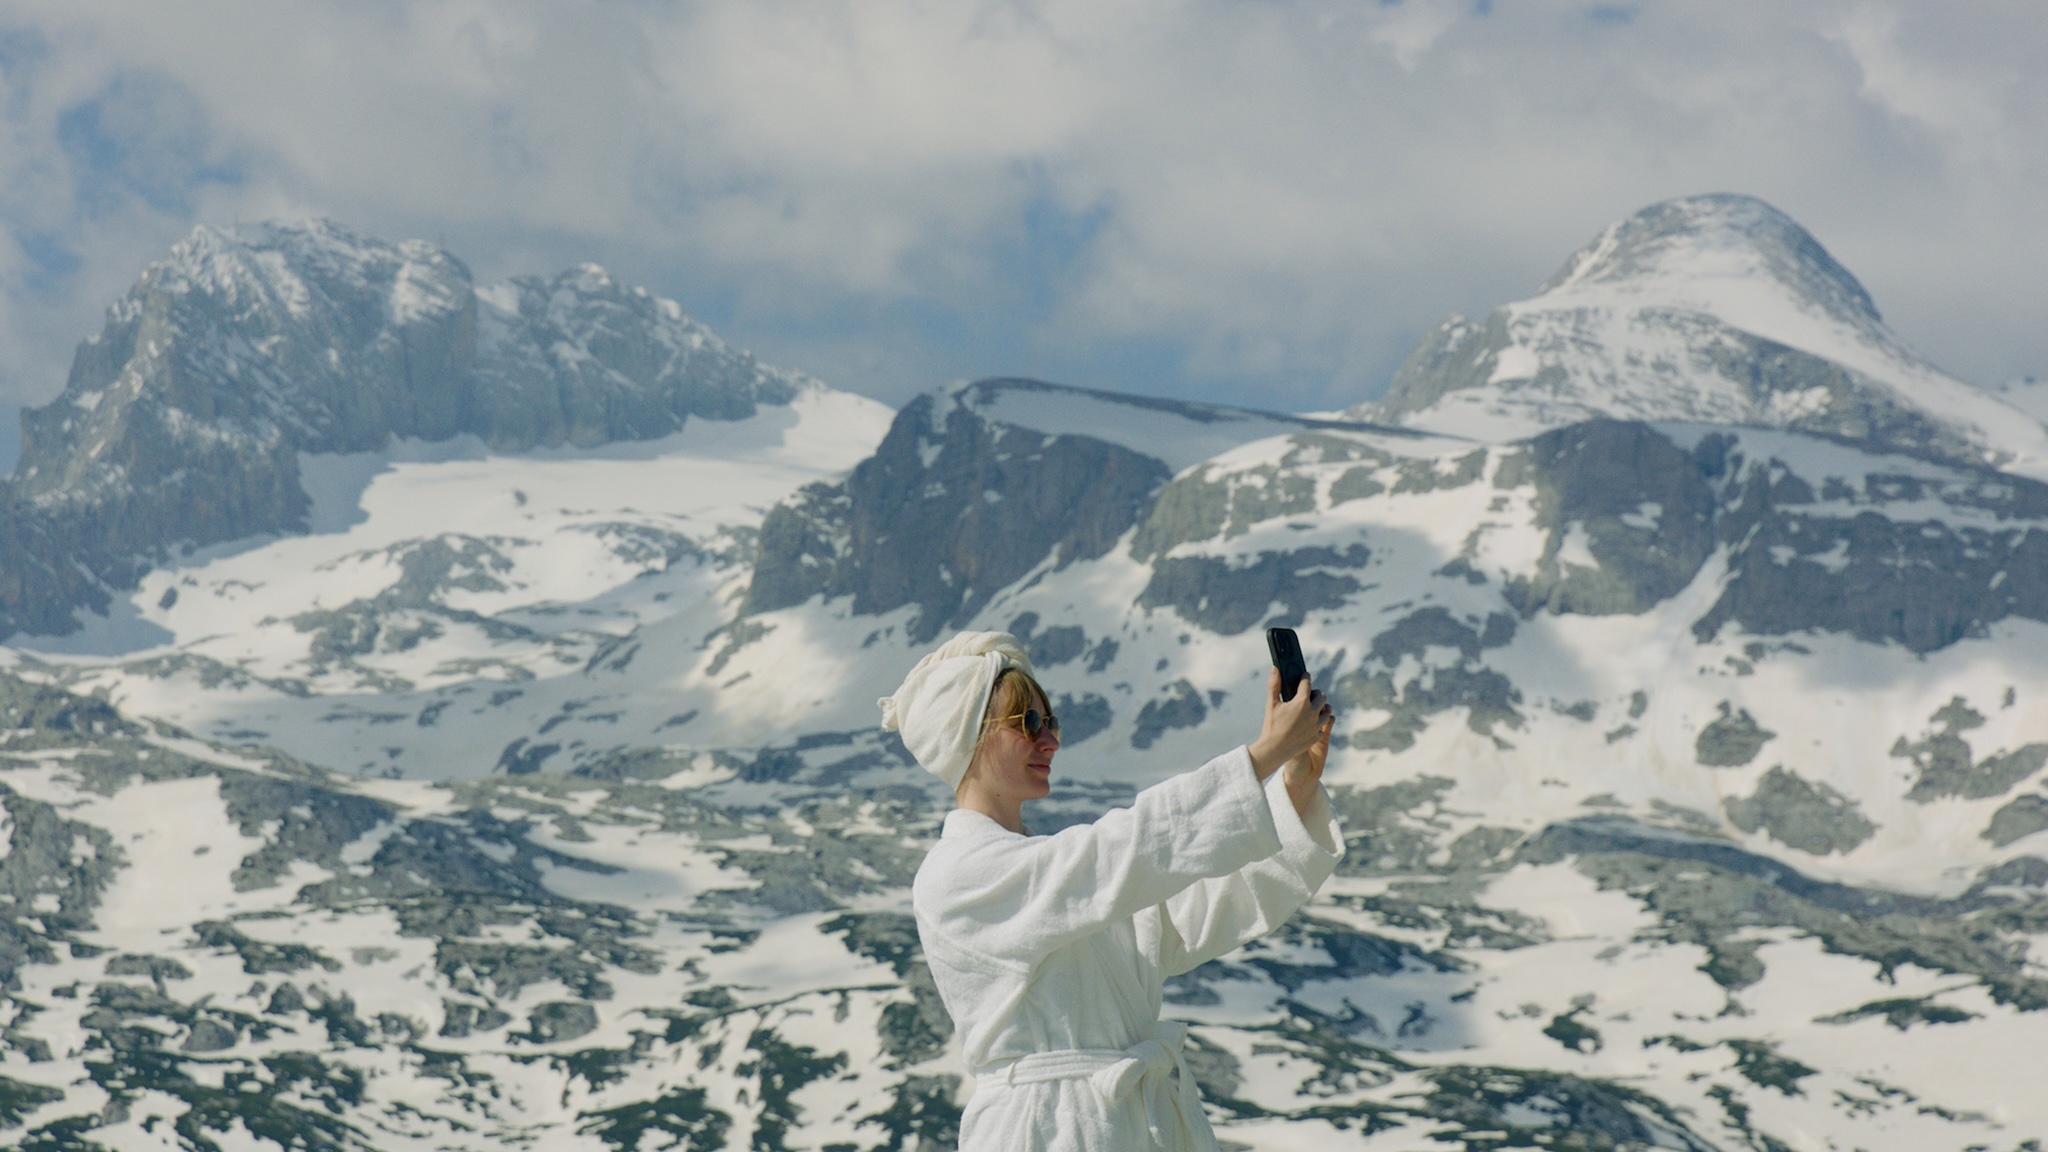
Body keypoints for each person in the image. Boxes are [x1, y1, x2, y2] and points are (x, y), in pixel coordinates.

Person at [878, 630, 1344, 1151]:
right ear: (967, 735)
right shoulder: (958, 876)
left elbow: (1194, 913)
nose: (1050, 740)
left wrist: (1294, 782)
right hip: (1044, 1132)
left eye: (1050, 722)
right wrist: (1262, 755)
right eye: (1027, 723)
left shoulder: (1058, 882)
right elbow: (1130, 847)